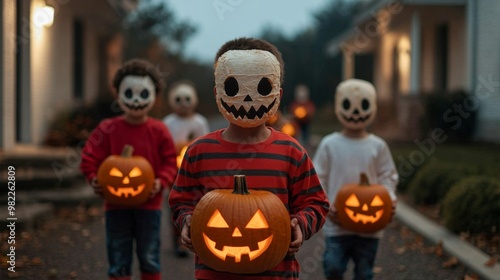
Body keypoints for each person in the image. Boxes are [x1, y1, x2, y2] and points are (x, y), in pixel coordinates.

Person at [168, 37, 330, 280]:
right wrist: (187, 221)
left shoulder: (291, 152)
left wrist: (300, 225)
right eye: (234, 88)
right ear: (218, 92)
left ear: (277, 93)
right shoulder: (199, 151)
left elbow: (315, 202)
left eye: (262, 88)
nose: (246, 99)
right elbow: (181, 200)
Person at [80, 59, 178, 280]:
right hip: (115, 206)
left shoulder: (159, 130)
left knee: (149, 256)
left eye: (143, 94)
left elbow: (170, 161)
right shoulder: (107, 129)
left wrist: (160, 181)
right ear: (119, 94)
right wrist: (93, 177)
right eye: (129, 94)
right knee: (118, 256)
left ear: (154, 95)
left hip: (149, 207)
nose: (136, 100)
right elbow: (88, 156)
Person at [312, 78, 399, 280]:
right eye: (347, 105)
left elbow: (388, 175)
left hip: (370, 227)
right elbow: (317, 178)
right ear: (338, 106)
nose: (356, 111)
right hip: (337, 223)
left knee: (364, 271)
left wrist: (388, 197)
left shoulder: (378, 146)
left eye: (364, 105)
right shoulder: (329, 144)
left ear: (373, 107)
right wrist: (326, 204)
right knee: (333, 267)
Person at [162, 80, 210, 257]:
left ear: (194, 100)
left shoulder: (199, 122)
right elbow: (163, 147)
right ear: (172, 100)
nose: (183, 103)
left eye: (187, 99)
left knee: (196, 207)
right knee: (175, 205)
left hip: (194, 171)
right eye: (179, 99)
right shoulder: (168, 122)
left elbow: (205, 146)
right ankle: (177, 241)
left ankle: (195, 239)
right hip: (174, 171)